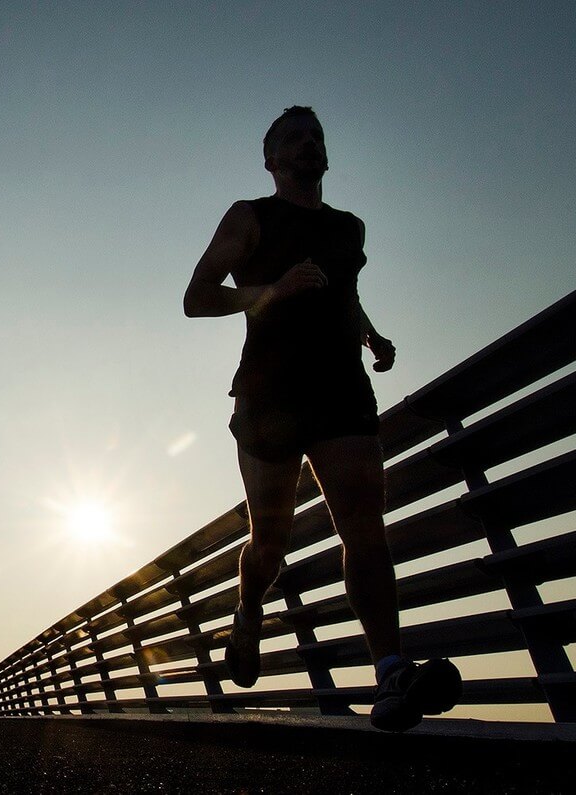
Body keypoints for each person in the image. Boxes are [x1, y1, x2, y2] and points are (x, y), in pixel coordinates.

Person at [182, 106, 461, 732]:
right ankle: (249, 607)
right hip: (268, 397)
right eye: (294, 139)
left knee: (364, 528)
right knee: (271, 540)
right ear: (271, 159)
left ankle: (389, 672)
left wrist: (371, 335)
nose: (309, 144)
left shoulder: (349, 228)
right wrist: (270, 292)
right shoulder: (249, 216)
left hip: (342, 394)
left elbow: (344, 293)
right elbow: (195, 299)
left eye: (317, 137)